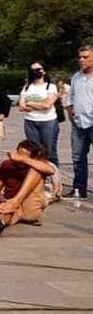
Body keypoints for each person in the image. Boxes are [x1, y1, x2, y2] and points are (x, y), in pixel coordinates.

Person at [0, 140, 55, 239]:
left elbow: (51, 170)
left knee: (36, 170)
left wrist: (23, 160)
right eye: (18, 155)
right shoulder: (7, 165)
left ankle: (14, 203)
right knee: (5, 211)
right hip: (12, 203)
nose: (18, 160)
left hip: (30, 205)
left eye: (23, 157)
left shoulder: (37, 165)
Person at [64, 44, 93, 199]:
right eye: (80, 57)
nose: (82, 60)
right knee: (78, 157)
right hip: (79, 124)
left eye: (86, 57)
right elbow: (70, 97)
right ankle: (79, 189)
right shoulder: (76, 77)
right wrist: (70, 112)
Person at [19, 60, 59, 166]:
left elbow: (47, 105)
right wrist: (39, 105)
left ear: (44, 71)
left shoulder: (51, 87)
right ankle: (37, 176)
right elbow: (21, 106)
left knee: (49, 151)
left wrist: (31, 103)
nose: (35, 72)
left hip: (48, 121)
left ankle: (53, 176)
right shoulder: (27, 87)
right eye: (32, 70)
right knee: (34, 150)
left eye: (38, 69)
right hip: (30, 121)